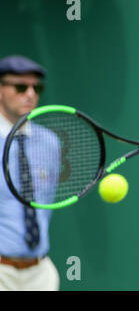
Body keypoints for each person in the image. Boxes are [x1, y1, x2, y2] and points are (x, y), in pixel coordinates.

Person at [0, 55, 59, 290]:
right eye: (21, 87)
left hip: (40, 273)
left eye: (37, 87)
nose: (31, 94)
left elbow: (46, 206)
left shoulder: (50, 142)